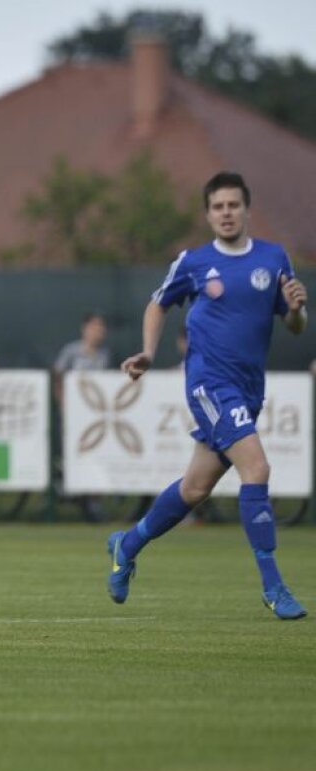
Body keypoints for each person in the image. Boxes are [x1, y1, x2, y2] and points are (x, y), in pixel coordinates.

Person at [108, 171, 308, 620]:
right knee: (256, 467)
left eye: (233, 205)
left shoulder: (274, 258)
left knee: (195, 488)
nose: (226, 213)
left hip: (249, 388)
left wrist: (296, 309)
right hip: (209, 384)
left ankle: (128, 543)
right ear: (208, 213)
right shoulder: (193, 262)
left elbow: (294, 325)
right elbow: (158, 302)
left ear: (246, 210)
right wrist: (147, 350)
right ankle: (274, 587)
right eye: (218, 206)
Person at [52, 312, 111, 523]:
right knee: (70, 455)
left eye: (102, 328)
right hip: (72, 418)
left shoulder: (104, 355)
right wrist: (64, 402)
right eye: (95, 327)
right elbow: (57, 376)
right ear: (84, 328)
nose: (99, 332)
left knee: (97, 458)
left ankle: (93, 503)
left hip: (95, 420)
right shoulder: (71, 351)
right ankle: (63, 489)